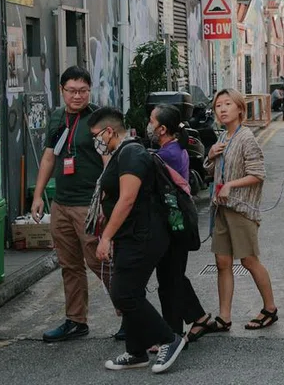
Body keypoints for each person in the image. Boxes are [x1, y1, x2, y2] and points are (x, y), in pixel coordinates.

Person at [88, 108, 182, 373]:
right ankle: (136, 351)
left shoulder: (130, 153)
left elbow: (127, 199)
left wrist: (105, 237)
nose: (94, 142)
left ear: (108, 132)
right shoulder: (121, 154)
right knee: (131, 291)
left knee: (123, 293)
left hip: (143, 235)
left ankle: (169, 339)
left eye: (96, 136)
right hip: (131, 235)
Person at [31, 66, 119, 342]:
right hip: (61, 203)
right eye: (71, 91)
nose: (77, 96)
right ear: (62, 91)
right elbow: (49, 157)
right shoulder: (57, 117)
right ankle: (75, 320)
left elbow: (109, 162)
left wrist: (105, 200)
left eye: (83, 90)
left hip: (88, 205)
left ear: (89, 90)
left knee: (100, 263)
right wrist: (38, 195)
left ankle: (131, 314)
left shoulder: (99, 120)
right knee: (69, 265)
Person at [202, 89, 278, 333]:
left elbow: (257, 174)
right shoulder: (224, 137)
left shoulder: (246, 138)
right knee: (222, 262)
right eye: (218, 106)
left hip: (241, 209)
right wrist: (210, 155)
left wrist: (230, 186)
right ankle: (224, 317)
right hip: (221, 208)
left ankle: (270, 308)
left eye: (227, 104)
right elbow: (211, 172)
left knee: (248, 260)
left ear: (240, 109)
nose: (222, 109)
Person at [146, 104, 212, 343]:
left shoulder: (166, 155)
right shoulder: (175, 147)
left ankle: (172, 335)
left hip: (172, 223)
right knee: (173, 276)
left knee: (169, 282)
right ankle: (199, 317)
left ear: (162, 129)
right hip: (177, 222)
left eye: (151, 122)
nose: (148, 126)